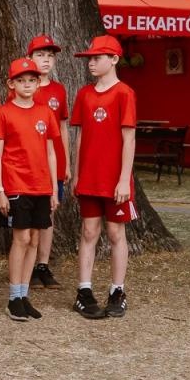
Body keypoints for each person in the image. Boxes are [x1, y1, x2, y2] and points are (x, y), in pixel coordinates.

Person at [70, 35, 139, 319]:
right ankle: (84, 291)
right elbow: (80, 136)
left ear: (114, 59)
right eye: (90, 58)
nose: (91, 63)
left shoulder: (124, 93)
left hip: (114, 179)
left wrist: (124, 179)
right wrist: (76, 173)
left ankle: (117, 290)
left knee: (115, 232)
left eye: (97, 58)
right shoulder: (85, 94)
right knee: (89, 232)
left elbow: (129, 138)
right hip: (89, 177)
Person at [0, 57, 60, 322]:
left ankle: (24, 294)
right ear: (12, 83)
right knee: (20, 239)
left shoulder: (45, 112)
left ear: (39, 83)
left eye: (32, 80)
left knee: (34, 239)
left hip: (41, 186)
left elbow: (51, 153)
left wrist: (53, 189)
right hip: (16, 185)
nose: (27, 84)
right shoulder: (4, 112)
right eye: (22, 80)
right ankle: (12, 298)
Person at [27, 33, 71, 289]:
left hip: (54, 163)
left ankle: (42, 265)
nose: (45, 60)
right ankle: (27, 263)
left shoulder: (59, 90)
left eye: (50, 55)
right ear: (30, 57)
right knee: (27, 214)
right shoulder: (24, 86)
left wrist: (67, 162)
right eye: (40, 54)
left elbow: (63, 128)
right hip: (29, 163)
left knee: (49, 214)